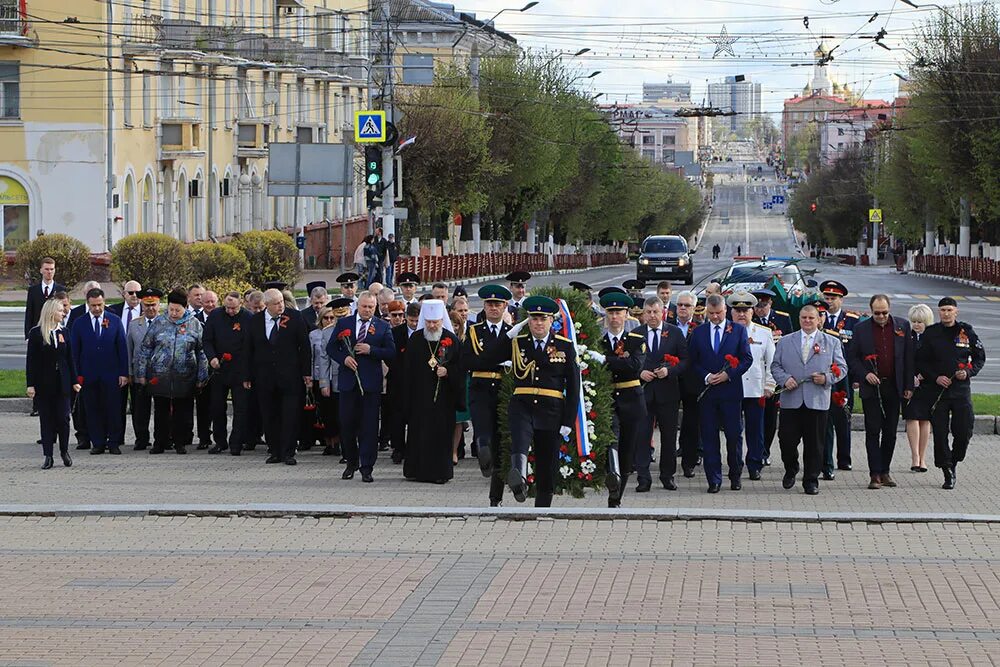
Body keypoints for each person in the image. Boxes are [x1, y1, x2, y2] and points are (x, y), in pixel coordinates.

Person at [485, 296, 581, 507]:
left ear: (550, 321)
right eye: (534, 318)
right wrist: (509, 333)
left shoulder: (564, 346)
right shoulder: (518, 343)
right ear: (528, 320)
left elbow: (574, 385)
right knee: (520, 442)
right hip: (523, 405)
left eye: (543, 319)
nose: (538, 323)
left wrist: (568, 420)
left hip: (551, 409)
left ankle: (543, 507)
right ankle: (518, 480)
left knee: (547, 462)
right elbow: (490, 356)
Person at [770, 304, 848, 495]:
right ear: (799, 319)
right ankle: (791, 468)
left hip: (817, 399)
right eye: (804, 317)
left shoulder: (831, 342)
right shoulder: (786, 341)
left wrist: (827, 378)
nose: (807, 321)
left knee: (815, 443)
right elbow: (775, 366)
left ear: (819, 320)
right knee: (786, 440)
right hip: (791, 399)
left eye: (811, 318)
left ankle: (810, 480)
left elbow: (842, 368)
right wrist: (784, 379)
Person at [915, 297, 986, 490]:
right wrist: (935, 376)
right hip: (938, 392)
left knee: (963, 432)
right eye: (942, 310)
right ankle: (947, 470)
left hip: (961, 391)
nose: (946, 314)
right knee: (940, 433)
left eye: (949, 310)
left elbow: (980, 357)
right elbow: (920, 361)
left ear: (956, 312)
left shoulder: (966, 331)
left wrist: (969, 372)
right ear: (939, 312)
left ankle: (954, 459)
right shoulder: (931, 333)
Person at [688, 293, 753, 492]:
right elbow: (692, 361)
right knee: (709, 437)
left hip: (730, 393)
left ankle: (735, 475)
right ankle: (713, 479)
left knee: (734, 436)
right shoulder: (698, 332)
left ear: (725, 310)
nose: (715, 317)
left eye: (718, 313)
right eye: (711, 313)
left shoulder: (738, 331)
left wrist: (728, 375)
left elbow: (746, 359)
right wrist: (706, 376)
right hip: (707, 394)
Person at [328, 292, 396, 482]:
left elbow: (391, 352)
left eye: (371, 307)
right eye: (365, 306)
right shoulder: (344, 323)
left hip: (370, 385)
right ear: (358, 306)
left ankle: (367, 467)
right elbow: (331, 348)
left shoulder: (382, 326)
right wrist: (345, 358)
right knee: (347, 424)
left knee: (369, 427)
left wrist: (371, 350)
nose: (367, 310)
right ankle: (351, 462)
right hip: (349, 383)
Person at [848, 294, 914, 489]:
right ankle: (874, 473)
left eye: (885, 312)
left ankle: (885, 470)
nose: (882, 316)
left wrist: (909, 385)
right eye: (877, 313)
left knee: (891, 432)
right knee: (873, 431)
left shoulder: (902, 326)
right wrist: (865, 374)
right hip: (872, 387)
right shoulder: (861, 329)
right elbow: (852, 358)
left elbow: (909, 357)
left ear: (890, 309)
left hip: (894, 386)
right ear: (871, 311)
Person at [134, 289, 209, 455]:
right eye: (171, 309)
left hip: (185, 375)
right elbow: (146, 348)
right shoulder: (159, 322)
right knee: (160, 410)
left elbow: (201, 351)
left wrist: (201, 377)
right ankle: (159, 442)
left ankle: (180, 442)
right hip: (160, 375)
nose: (174, 313)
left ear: (185, 307)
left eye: (178, 310)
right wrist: (141, 374)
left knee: (182, 411)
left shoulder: (194, 323)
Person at [243, 288, 312, 465]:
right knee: (269, 415)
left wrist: (306, 373)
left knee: (290, 415)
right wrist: (247, 375)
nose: (280, 306)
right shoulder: (255, 321)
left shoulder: (295, 317)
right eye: (276, 303)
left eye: (282, 301)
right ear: (266, 305)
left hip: (290, 377)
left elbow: (304, 347)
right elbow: (248, 350)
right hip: (265, 377)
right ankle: (274, 451)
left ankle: (288, 452)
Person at [400, 300, 464, 483]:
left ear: (442, 320)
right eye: (428, 321)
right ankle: (417, 471)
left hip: (443, 399)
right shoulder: (416, 340)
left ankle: (440, 473)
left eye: (435, 322)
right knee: (419, 434)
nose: (431, 325)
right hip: (420, 399)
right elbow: (408, 372)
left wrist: (448, 372)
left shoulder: (452, 341)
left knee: (441, 435)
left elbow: (461, 369)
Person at [630, 296, 688, 492]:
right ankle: (643, 477)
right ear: (643, 314)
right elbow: (629, 362)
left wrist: (669, 371)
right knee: (642, 436)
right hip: (644, 394)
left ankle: (667, 476)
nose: (652, 316)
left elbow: (685, 361)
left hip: (668, 393)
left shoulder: (674, 333)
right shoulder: (635, 334)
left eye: (656, 312)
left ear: (663, 312)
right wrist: (639, 373)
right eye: (648, 312)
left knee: (669, 436)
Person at [464, 285, 513, 506]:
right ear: (484, 306)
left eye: (498, 305)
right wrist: (497, 360)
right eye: (490, 304)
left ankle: (496, 497)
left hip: (504, 391)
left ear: (505, 307)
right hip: (481, 389)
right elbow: (471, 362)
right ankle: (483, 457)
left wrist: (488, 358)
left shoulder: (513, 334)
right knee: (484, 435)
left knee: (502, 445)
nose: (494, 308)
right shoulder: (475, 331)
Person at [598, 292, 648, 507]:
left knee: (627, 450)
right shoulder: (597, 342)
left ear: (627, 315)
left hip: (631, 400)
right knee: (612, 439)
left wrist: (605, 360)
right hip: (608, 400)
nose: (615, 317)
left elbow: (635, 366)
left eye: (618, 312)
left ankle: (616, 496)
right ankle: (612, 474)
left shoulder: (636, 340)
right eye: (611, 312)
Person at [71, 288, 129, 455]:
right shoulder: (79, 323)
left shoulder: (115, 321)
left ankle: (113, 442)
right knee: (93, 409)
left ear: (104, 302)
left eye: (100, 305)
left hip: (111, 374)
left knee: (113, 409)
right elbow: (75, 352)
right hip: (88, 375)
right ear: (87, 304)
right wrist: (77, 376)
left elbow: (122, 349)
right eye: (93, 305)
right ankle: (98, 442)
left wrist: (123, 373)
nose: (97, 308)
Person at [728, 291, 776, 481]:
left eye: (745, 310)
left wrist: (770, 384)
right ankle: (735, 464)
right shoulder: (726, 332)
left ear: (752, 312)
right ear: (731, 312)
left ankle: (755, 463)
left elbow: (771, 362)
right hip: (731, 387)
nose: (741, 314)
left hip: (755, 389)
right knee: (733, 430)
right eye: (738, 310)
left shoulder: (763, 333)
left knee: (755, 430)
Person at [26, 298, 79, 469]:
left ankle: (64, 450)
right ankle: (48, 455)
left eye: (63, 310)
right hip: (44, 384)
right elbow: (31, 361)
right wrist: (31, 384)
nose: (63, 313)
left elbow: (70, 359)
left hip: (62, 383)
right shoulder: (36, 333)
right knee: (47, 420)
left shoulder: (64, 331)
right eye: (59, 310)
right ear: (50, 312)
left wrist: (75, 381)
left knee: (63, 418)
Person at [202, 291, 253, 456]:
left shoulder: (248, 318)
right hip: (219, 369)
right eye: (227, 308)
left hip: (240, 370)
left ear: (241, 305)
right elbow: (207, 340)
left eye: (233, 308)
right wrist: (212, 358)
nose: (230, 311)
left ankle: (236, 442)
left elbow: (250, 347)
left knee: (241, 408)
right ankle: (220, 441)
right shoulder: (216, 315)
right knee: (217, 407)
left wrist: (247, 373)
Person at [820, 279, 859, 479]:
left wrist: (857, 376)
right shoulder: (818, 318)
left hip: (845, 379)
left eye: (833, 298)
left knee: (843, 419)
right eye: (827, 297)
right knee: (824, 421)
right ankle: (826, 460)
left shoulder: (852, 320)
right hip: (822, 379)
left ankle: (844, 458)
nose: (829, 301)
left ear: (841, 299)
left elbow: (857, 350)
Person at [752, 287, 793, 465]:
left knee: (769, 417)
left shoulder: (783, 319)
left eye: (764, 305)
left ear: (771, 304)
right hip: (755, 374)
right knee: (754, 417)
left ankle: (765, 451)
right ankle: (754, 450)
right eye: (758, 306)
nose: (760, 309)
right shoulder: (750, 320)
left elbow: (790, 345)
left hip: (775, 374)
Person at [125, 287, 162, 451]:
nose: (150, 308)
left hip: (161, 373)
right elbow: (129, 350)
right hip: (140, 373)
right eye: (147, 305)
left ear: (159, 304)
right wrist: (130, 373)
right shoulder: (134, 325)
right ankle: (141, 438)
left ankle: (162, 438)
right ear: (142, 305)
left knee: (162, 408)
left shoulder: (166, 323)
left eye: (153, 305)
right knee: (140, 408)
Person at [673, 290, 702, 478]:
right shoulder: (667, 327)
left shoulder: (700, 328)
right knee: (668, 424)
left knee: (692, 423)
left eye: (687, 305)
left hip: (692, 382)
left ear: (694, 308)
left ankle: (689, 462)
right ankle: (668, 462)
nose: (683, 308)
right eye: (680, 305)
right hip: (670, 380)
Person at [312, 302, 347, 458]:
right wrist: (324, 383)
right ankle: (336, 445)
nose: (334, 319)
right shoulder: (326, 333)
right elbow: (323, 359)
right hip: (333, 379)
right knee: (333, 415)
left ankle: (348, 448)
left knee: (348, 416)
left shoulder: (353, 329)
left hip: (351, 378)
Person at [903, 304, 935, 473]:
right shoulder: (907, 338)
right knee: (912, 417)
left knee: (925, 420)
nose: (916, 325)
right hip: (910, 384)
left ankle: (923, 458)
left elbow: (937, 360)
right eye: (914, 321)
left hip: (928, 384)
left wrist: (926, 374)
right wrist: (911, 377)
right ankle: (915, 456)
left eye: (920, 322)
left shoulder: (933, 338)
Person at [388, 301, 421, 465]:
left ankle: (413, 448)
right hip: (398, 381)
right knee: (398, 417)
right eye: (411, 320)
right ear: (406, 318)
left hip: (418, 383)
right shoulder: (395, 333)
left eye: (417, 321)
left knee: (415, 416)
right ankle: (398, 448)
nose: (414, 324)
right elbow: (390, 356)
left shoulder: (424, 333)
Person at [24, 256, 64, 339]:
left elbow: (64, 313)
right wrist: (28, 335)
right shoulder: (33, 291)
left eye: (52, 269)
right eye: (46, 269)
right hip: (37, 332)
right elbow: (29, 313)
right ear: (41, 270)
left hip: (55, 332)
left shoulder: (61, 290)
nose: (49, 272)